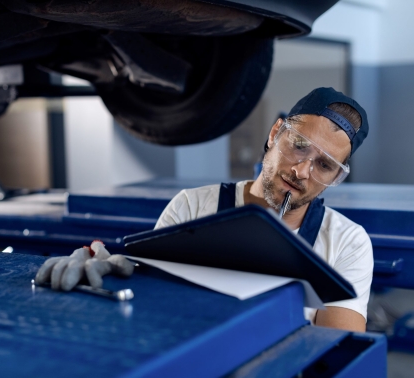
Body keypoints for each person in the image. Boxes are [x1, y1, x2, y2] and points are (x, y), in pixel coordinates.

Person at [154, 87, 372, 332]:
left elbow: (337, 351)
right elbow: (154, 309)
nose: (301, 171)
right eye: (299, 145)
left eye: (324, 165)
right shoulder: (191, 208)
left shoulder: (347, 243)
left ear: (335, 177)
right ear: (275, 133)